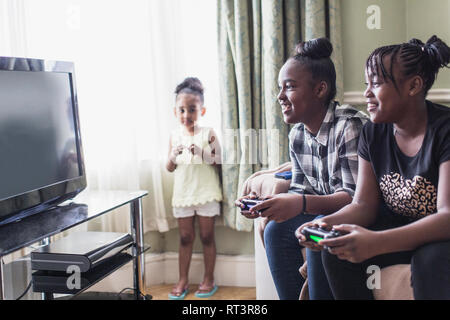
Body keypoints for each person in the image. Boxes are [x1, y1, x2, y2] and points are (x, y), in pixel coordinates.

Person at [296, 35, 450, 299]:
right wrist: (324, 222)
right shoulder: (372, 133)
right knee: (335, 250)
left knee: (429, 264)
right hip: (396, 224)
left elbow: (447, 217)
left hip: (439, 235)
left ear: (414, 86)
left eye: (376, 84)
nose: (366, 93)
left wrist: (377, 243)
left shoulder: (444, 131)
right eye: (366, 84)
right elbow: (363, 206)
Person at [236, 38, 368, 299]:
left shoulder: (349, 126)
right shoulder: (297, 134)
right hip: (321, 213)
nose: (280, 96)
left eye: (290, 87)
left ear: (320, 90)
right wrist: (267, 202)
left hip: (355, 217)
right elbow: (300, 189)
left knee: (317, 230)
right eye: (279, 88)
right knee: (274, 229)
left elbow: (353, 198)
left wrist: (301, 204)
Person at [166, 77, 223, 299]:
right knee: (185, 238)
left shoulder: (208, 132)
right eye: (182, 110)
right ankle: (183, 279)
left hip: (206, 193)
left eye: (192, 109)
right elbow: (169, 167)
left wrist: (200, 153)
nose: (186, 115)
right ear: (175, 112)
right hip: (183, 194)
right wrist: (173, 155)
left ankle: (209, 278)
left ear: (202, 110)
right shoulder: (174, 136)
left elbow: (219, 160)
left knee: (208, 237)